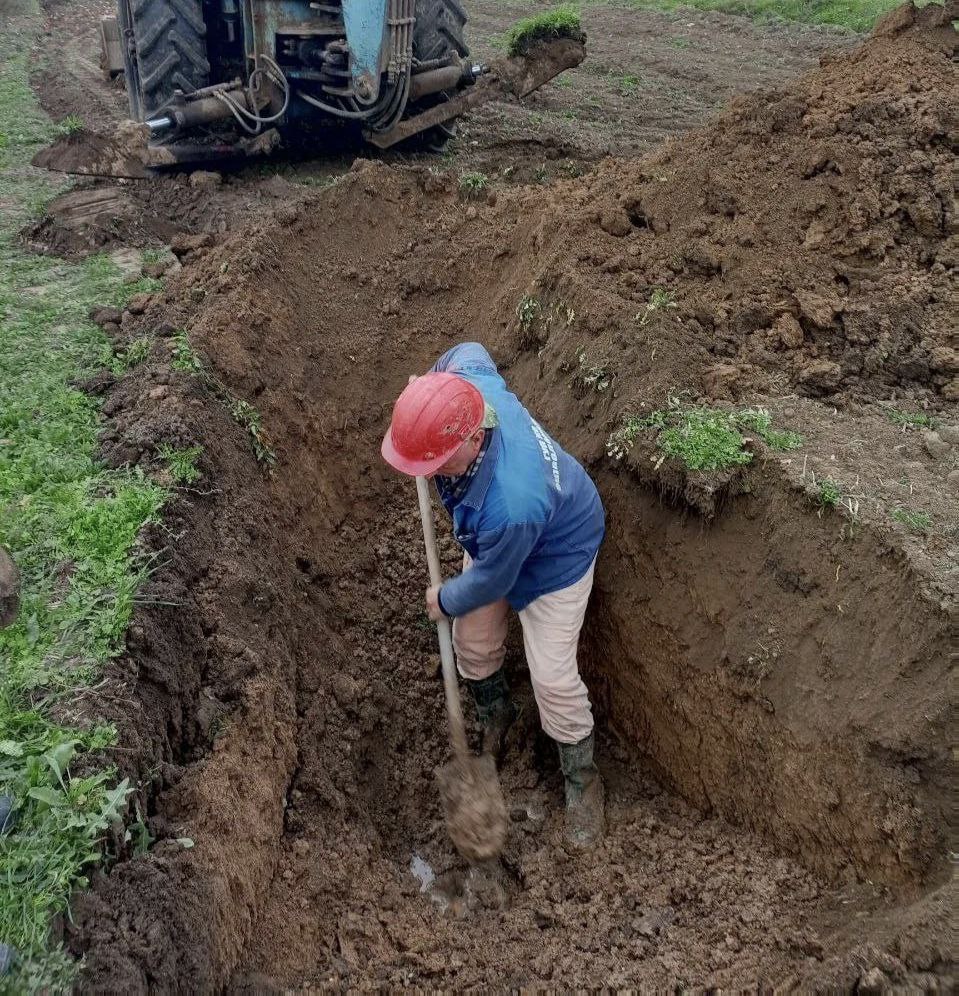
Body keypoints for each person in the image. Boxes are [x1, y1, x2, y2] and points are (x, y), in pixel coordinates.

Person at [381, 342, 606, 847]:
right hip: (498, 543)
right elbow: (469, 348)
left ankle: (583, 781)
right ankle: (497, 715)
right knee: (472, 645)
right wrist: (426, 394)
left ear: (468, 439)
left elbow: (493, 582)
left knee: (552, 680)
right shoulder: (470, 388)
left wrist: (445, 600)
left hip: (556, 558)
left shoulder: (512, 501)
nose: (426, 469)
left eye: (432, 459)